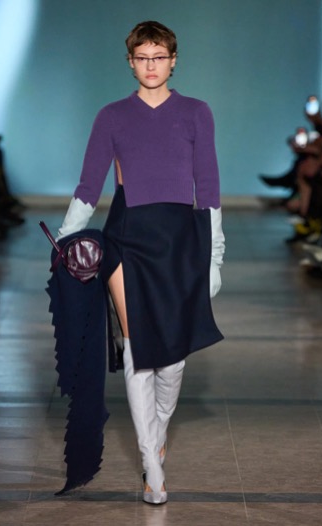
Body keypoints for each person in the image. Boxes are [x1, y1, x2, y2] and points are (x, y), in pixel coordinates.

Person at [56, 21, 224, 505]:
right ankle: (152, 466)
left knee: (172, 357)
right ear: (131, 62)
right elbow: (90, 183)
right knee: (138, 347)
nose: (151, 65)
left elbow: (208, 185)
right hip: (126, 235)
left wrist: (213, 255)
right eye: (143, 57)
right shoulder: (112, 115)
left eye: (159, 57)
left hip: (179, 239)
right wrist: (65, 239)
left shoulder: (196, 112)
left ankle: (158, 431)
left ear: (173, 61)